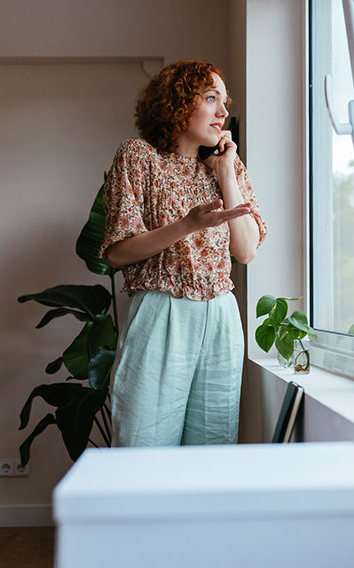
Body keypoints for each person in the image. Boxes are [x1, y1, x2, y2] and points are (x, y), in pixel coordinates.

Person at [100, 60, 267, 447]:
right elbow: (117, 254)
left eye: (225, 102)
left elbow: (246, 251)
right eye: (211, 98)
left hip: (222, 315)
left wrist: (226, 173)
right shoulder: (139, 157)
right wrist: (188, 225)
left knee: (213, 445)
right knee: (144, 444)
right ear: (176, 104)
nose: (223, 112)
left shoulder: (229, 167)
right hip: (163, 311)